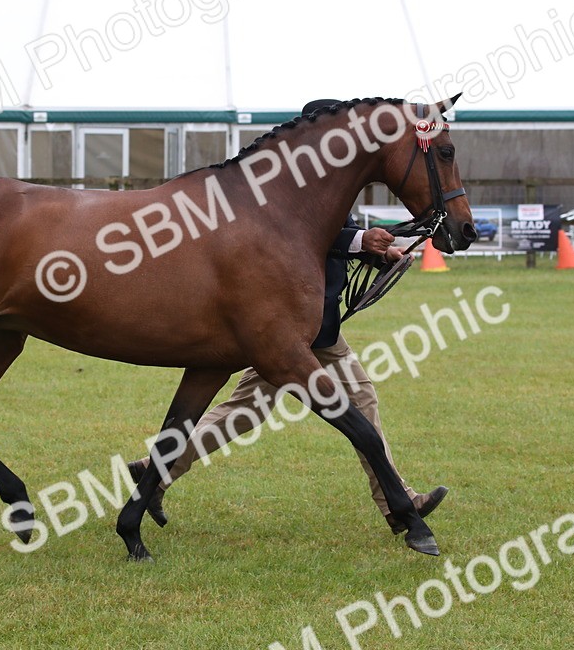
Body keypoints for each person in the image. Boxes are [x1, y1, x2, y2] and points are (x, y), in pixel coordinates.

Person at [129, 99, 447, 535]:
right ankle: (399, 505)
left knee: (247, 410)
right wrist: (360, 242)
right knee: (354, 400)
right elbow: (302, 239)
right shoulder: (299, 185)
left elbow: (330, 237)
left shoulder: (327, 183)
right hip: (293, 326)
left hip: (305, 323)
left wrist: (379, 250)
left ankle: (155, 471)